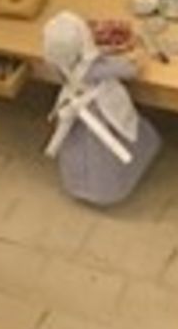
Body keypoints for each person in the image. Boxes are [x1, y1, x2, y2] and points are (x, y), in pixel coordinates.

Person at [41, 11, 160, 207]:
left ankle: (80, 183)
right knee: (108, 145)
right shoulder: (95, 67)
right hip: (101, 110)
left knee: (80, 145)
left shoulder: (60, 64)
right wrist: (139, 57)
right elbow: (131, 70)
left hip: (75, 105)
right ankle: (107, 188)